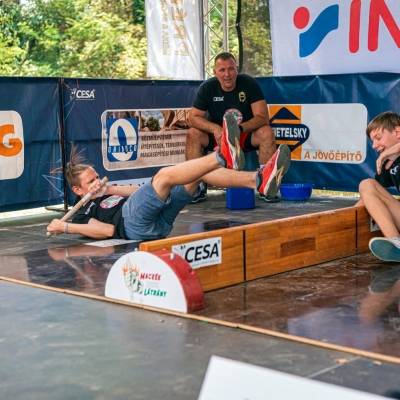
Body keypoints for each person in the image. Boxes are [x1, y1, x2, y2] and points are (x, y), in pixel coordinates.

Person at [47, 114, 291, 241]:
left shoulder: (105, 192)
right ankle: (221, 156)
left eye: (96, 176)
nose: (97, 181)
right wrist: (65, 227)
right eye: (91, 182)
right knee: (163, 176)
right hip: (132, 225)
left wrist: (109, 190)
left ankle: (258, 180)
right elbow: (108, 230)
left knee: (196, 173)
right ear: (78, 191)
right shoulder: (82, 212)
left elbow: (144, 194)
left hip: (158, 224)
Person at [186, 52, 276, 203]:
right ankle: (195, 186)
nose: (227, 74)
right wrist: (215, 129)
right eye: (222, 70)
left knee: (266, 132)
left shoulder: (249, 83)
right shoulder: (207, 87)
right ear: (215, 72)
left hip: (243, 134)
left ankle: (266, 184)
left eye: (231, 69)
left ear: (237, 69)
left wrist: (238, 130)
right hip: (218, 137)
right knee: (192, 133)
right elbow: (193, 117)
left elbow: (262, 117)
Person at [358, 111, 400, 262]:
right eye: (372, 141)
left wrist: (391, 151)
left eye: (378, 138)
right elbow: (371, 195)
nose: (374, 145)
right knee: (367, 185)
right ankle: (397, 243)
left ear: (397, 132)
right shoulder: (388, 164)